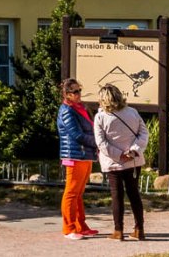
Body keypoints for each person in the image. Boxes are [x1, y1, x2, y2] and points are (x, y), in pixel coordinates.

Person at [94, 82, 148, 241]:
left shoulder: (100, 117)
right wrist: (133, 151)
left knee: (117, 196)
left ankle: (118, 231)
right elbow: (144, 133)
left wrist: (118, 155)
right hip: (133, 161)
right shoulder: (132, 112)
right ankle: (140, 229)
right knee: (134, 194)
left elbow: (101, 143)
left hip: (113, 162)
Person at [57, 77, 98, 240]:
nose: (79, 94)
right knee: (71, 193)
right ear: (67, 94)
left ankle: (81, 225)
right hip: (74, 154)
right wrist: (98, 142)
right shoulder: (67, 110)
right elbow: (77, 135)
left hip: (84, 154)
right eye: (75, 91)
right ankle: (69, 228)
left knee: (79, 193)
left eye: (79, 90)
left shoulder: (79, 108)